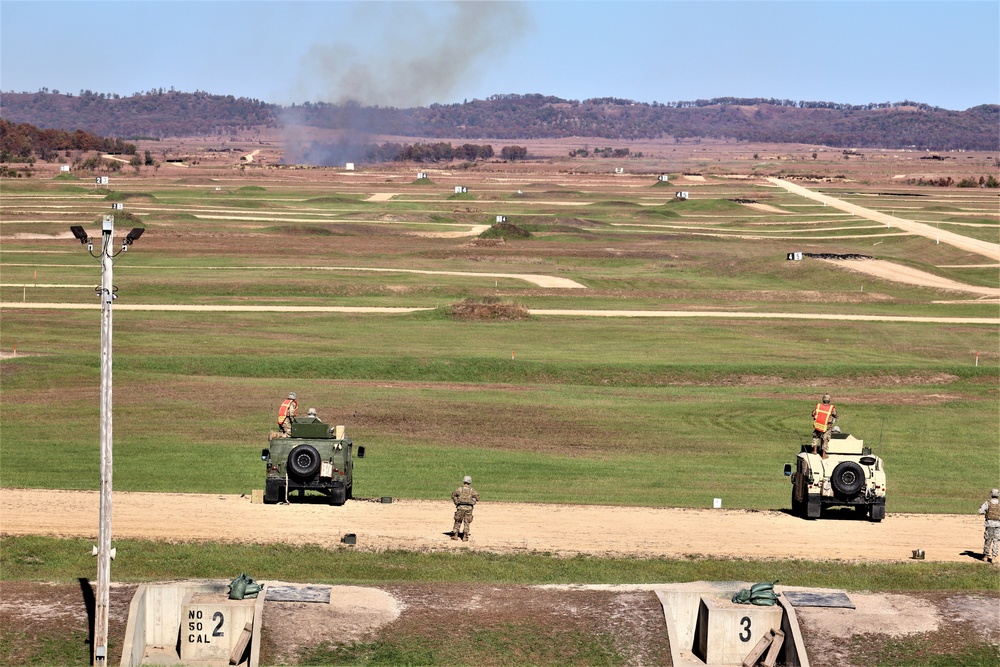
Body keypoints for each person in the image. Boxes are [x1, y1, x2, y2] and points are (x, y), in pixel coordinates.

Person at [451, 475, 479, 542]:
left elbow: (453, 495)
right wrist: (473, 501)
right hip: (469, 508)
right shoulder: (472, 490)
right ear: (470, 482)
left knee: (458, 521)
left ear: (464, 481)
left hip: (460, 507)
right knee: (467, 522)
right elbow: (477, 498)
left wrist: (456, 502)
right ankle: (465, 536)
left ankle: (455, 535)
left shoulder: (459, 489)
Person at [811, 394, 838, 459]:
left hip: (818, 424)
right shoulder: (831, 408)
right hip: (827, 426)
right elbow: (835, 415)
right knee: (825, 439)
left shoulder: (818, 406)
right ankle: (824, 454)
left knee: (816, 436)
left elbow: (813, 413)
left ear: (823, 400)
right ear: (829, 401)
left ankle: (814, 450)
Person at [978, 488, 1000, 564]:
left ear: (991, 494)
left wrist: (986, 512)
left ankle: (985, 556)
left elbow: (980, 511)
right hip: (998, 524)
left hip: (989, 523)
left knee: (988, 540)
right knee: (996, 540)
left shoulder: (987, 503)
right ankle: (994, 557)